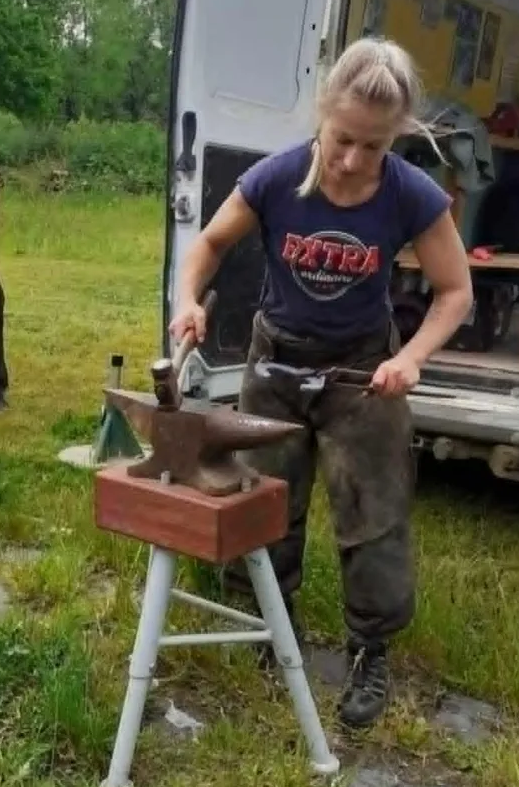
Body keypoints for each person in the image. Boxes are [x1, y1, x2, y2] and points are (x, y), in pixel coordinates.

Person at [168, 37, 473, 729]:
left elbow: (456, 292)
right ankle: (268, 629)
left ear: (394, 138)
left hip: (364, 374)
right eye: (342, 139)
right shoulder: (275, 179)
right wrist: (188, 301)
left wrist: (414, 357)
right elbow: (210, 245)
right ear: (322, 115)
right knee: (261, 502)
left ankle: (371, 650)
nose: (352, 161)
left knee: (374, 511)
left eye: (373, 147)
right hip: (275, 363)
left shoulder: (413, 196)